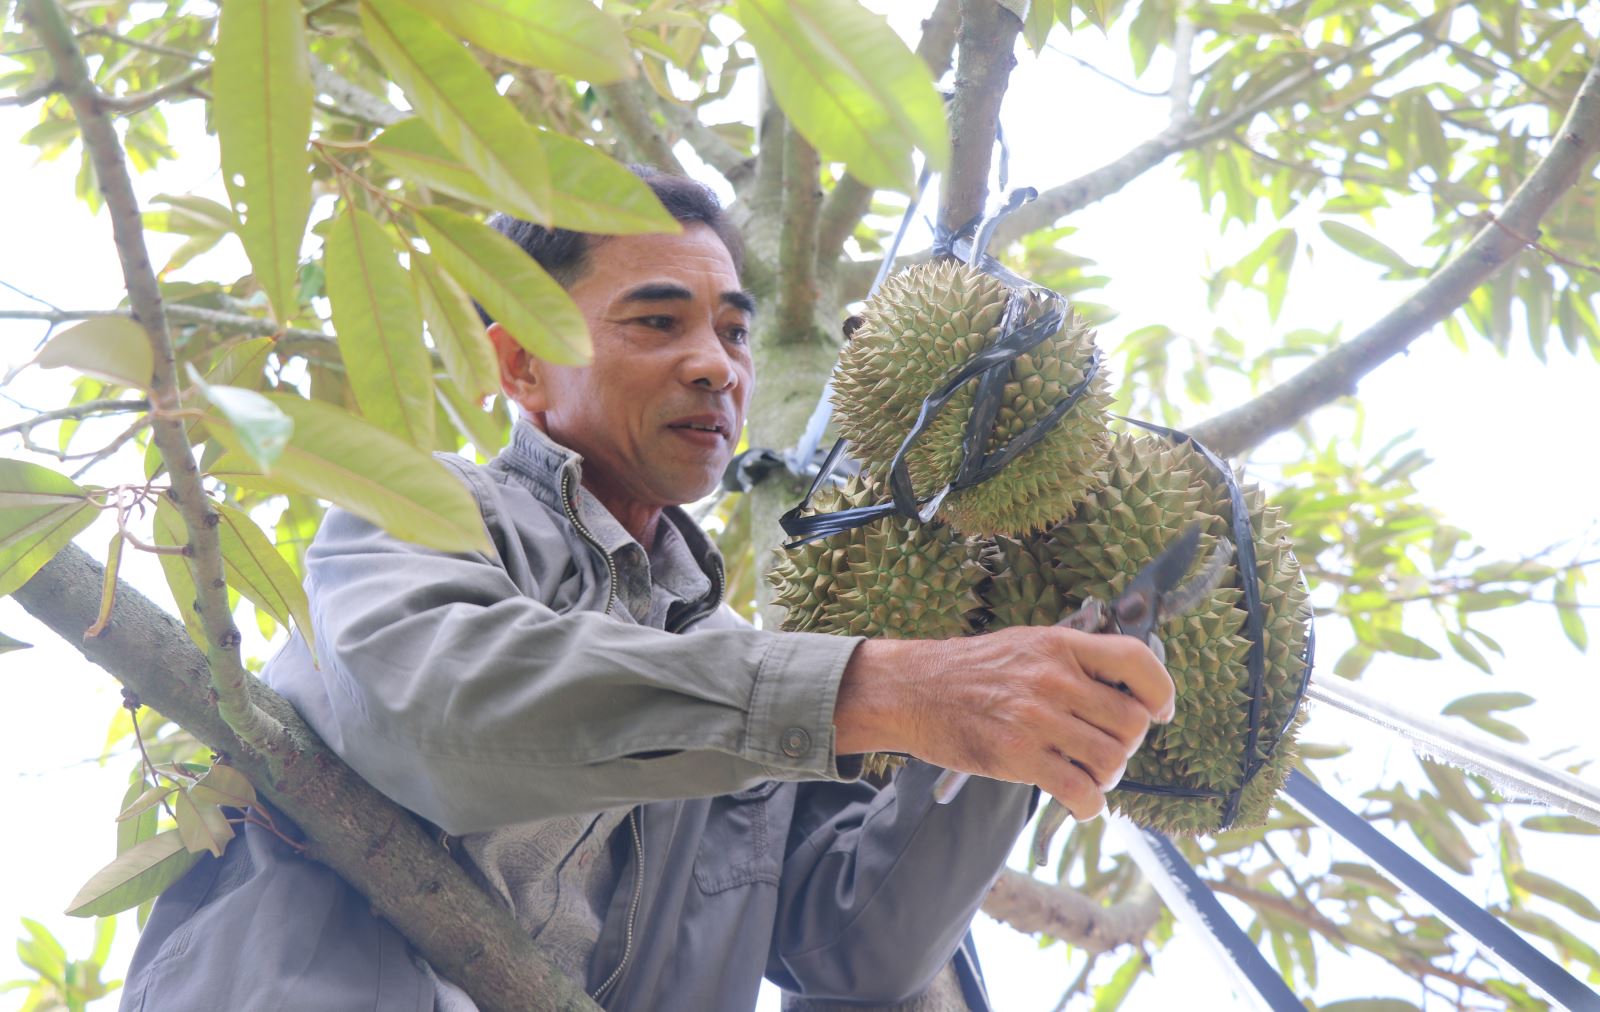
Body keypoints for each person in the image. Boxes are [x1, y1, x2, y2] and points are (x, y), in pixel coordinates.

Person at [120, 168, 1174, 1011]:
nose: (715, 364)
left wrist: (1013, 726)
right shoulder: (430, 514)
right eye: (656, 322)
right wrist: (892, 685)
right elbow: (433, 709)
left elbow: (862, 946)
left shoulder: (724, 666)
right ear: (524, 367)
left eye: (733, 330)